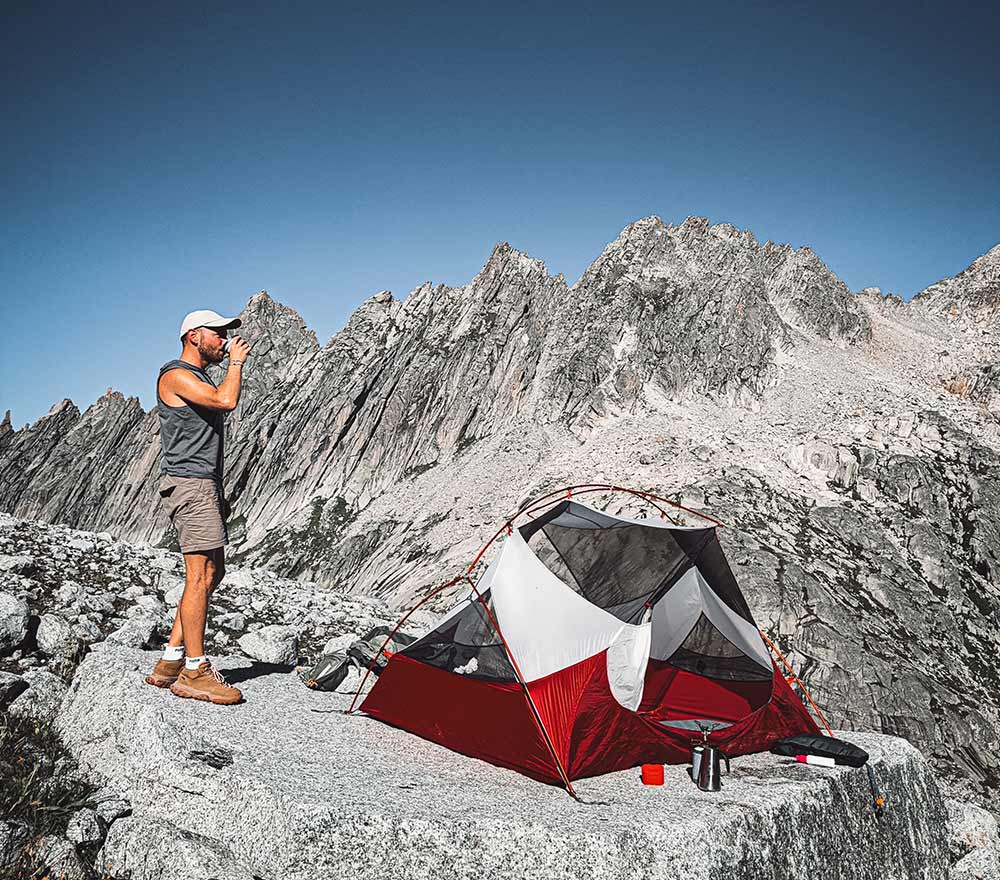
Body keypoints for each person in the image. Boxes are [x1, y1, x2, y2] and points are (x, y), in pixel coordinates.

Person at [144, 309, 251, 704]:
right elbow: (226, 400)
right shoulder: (176, 375)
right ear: (193, 336)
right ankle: (194, 670)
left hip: (202, 483)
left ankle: (170, 660)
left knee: (212, 570)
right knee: (200, 574)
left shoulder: (197, 376)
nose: (224, 340)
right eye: (218, 334)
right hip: (190, 484)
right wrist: (237, 362)